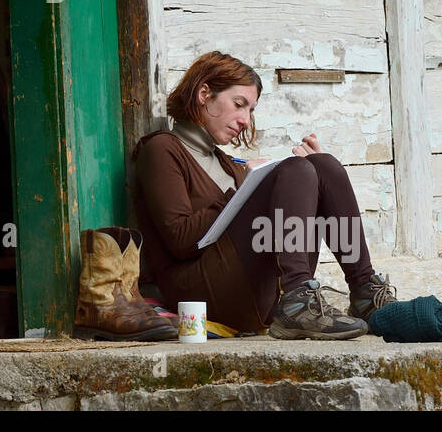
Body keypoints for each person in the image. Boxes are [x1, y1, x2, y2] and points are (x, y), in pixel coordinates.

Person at [133, 50, 397, 340]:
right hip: (202, 294)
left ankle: (363, 292)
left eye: (251, 110)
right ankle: (297, 298)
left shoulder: (226, 164)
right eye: (239, 104)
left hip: (256, 293)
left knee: (323, 167)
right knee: (295, 169)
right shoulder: (161, 150)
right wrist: (247, 187)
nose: (245, 120)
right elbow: (181, 239)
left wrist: (312, 182)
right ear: (204, 94)